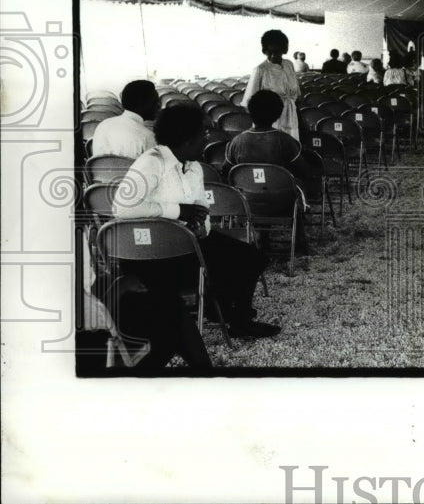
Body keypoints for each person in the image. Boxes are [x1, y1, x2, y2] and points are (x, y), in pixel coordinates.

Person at [110, 105, 279, 366]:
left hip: (188, 243)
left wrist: (203, 224)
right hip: (152, 252)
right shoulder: (151, 162)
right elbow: (123, 207)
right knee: (223, 267)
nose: (208, 138)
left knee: (251, 258)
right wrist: (178, 211)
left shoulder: (194, 167)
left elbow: (201, 208)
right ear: (186, 138)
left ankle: (236, 319)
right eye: (203, 133)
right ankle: (219, 308)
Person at [225, 90, 318, 254]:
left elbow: (227, 172)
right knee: (294, 185)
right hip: (283, 203)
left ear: (250, 112)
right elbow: (304, 171)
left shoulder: (236, 142)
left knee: (260, 185)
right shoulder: (285, 141)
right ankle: (300, 242)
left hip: (246, 203)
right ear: (278, 114)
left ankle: (262, 237)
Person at [242, 29, 301, 141]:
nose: (273, 55)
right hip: (270, 121)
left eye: (277, 52)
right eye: (270, 52)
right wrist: (264, 124)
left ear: (284, 50)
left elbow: (296, 94)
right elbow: (248, 104)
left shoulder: (289, 65)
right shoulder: (260, 70)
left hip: (291, 117)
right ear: (265, 50)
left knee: (290, 149)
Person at [91, 80, 159, 158]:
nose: (159, 106)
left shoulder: (102, 125)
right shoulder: (147, 137)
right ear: (146, 104)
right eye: (156, 101)